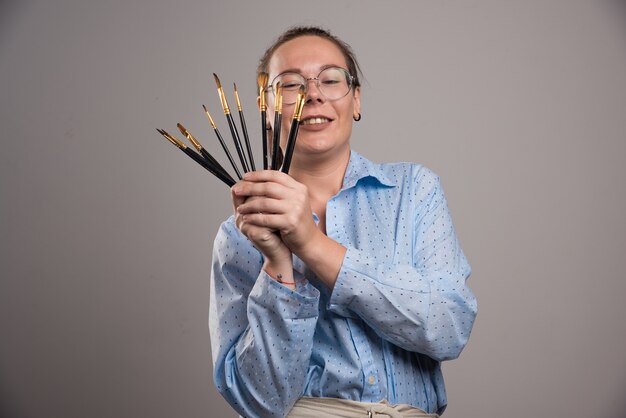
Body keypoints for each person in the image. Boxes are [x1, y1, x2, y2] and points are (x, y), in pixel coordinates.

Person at [209, 26, 477, 418]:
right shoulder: (240, 234)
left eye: (331, 79)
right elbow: (258, 402)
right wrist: (278, 266)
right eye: (290, 85)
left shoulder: (414, 189)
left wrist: (311, 245)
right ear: (265, 109)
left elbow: (449, 328)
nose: (313, 94)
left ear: (356, 100)